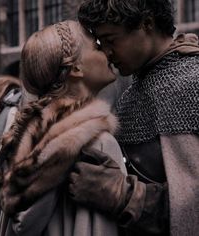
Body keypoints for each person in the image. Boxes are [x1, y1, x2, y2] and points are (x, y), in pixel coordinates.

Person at [0, 20, 127, 236]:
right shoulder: (98, 143)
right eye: (97, 46)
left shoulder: (24, 138)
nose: (106, 50)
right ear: (76, 68)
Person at [68, 0, 199, 236]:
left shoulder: (193, 82)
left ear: (146, 24)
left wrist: (124, 195)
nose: (106, 52)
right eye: (100, 43)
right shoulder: (129, 96)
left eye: (111, 40)